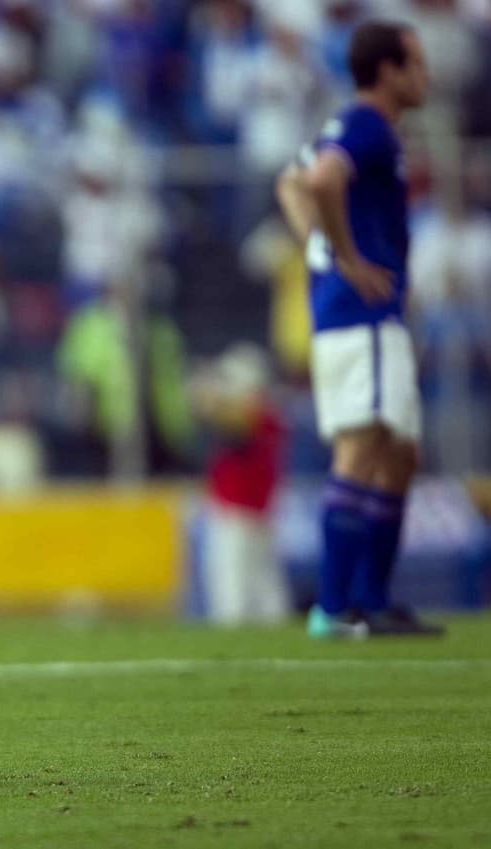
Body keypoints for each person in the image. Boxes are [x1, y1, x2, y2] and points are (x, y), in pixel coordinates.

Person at [274, 21, 442, 638]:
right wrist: (343, 256)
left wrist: (315, 243)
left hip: (365, 315)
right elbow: (318, 181)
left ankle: (370, 599)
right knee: (362, 448)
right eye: (417, 64)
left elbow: (291, 179)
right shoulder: (366, 124)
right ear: (389, 70)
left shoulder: (357, 128)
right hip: (360, 313)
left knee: (398, 453)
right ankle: (334, 607)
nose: (427, 75)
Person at [192, 343, 288, 625]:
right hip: (250, 511)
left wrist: (204, 389)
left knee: (234, 589)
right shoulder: (269, 413)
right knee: (263, 585)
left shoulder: (257, 413)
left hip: (238, 512)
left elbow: (219, 415)